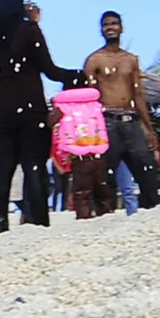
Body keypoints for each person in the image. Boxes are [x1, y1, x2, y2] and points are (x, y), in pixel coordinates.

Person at [0, 0, 82, 231]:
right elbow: (50, 70)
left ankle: (0, 221)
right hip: (29, 107)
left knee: (4, 168)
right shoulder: (28, 30)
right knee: (33, 165)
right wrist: (76, 76)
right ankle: (39, 220)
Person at [82, 12, 160, 210]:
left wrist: (149, 128)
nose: (110, 27)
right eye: (106, 24)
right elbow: (89, 97)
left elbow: (138, 94)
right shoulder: (94, 60)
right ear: (101, 29)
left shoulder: (131, 59)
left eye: (114, 23)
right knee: (105, 176)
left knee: (147, 171)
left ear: (121, 28)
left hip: (131, 120)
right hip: (107, 120)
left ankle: (150, 213)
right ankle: (105, 216)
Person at [48, 84, 113, 219]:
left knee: (82, 190)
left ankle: (84, 216)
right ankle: (105, 213)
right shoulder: (96, 106)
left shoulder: (63, 108)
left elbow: (50, 122)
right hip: (97, 149)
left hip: (78, 154)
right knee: (101, 187)